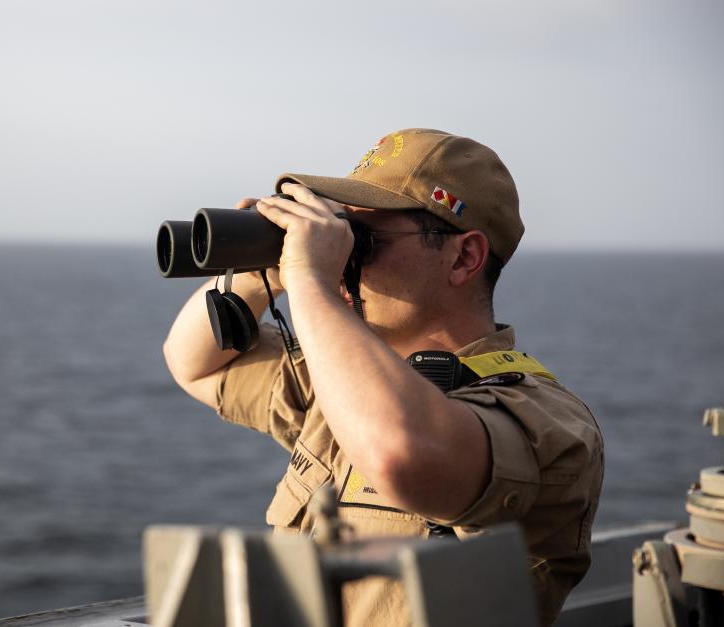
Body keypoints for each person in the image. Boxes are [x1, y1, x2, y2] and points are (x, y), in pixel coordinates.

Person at [163, 128, 604, 626]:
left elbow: (401, 452)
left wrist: (312, 280)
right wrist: (264, 269)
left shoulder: (544, 422)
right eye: (341, 234)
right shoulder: (343, 382)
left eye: (364, 240)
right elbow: (193, 363)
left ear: (464, 257)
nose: (344, 258)